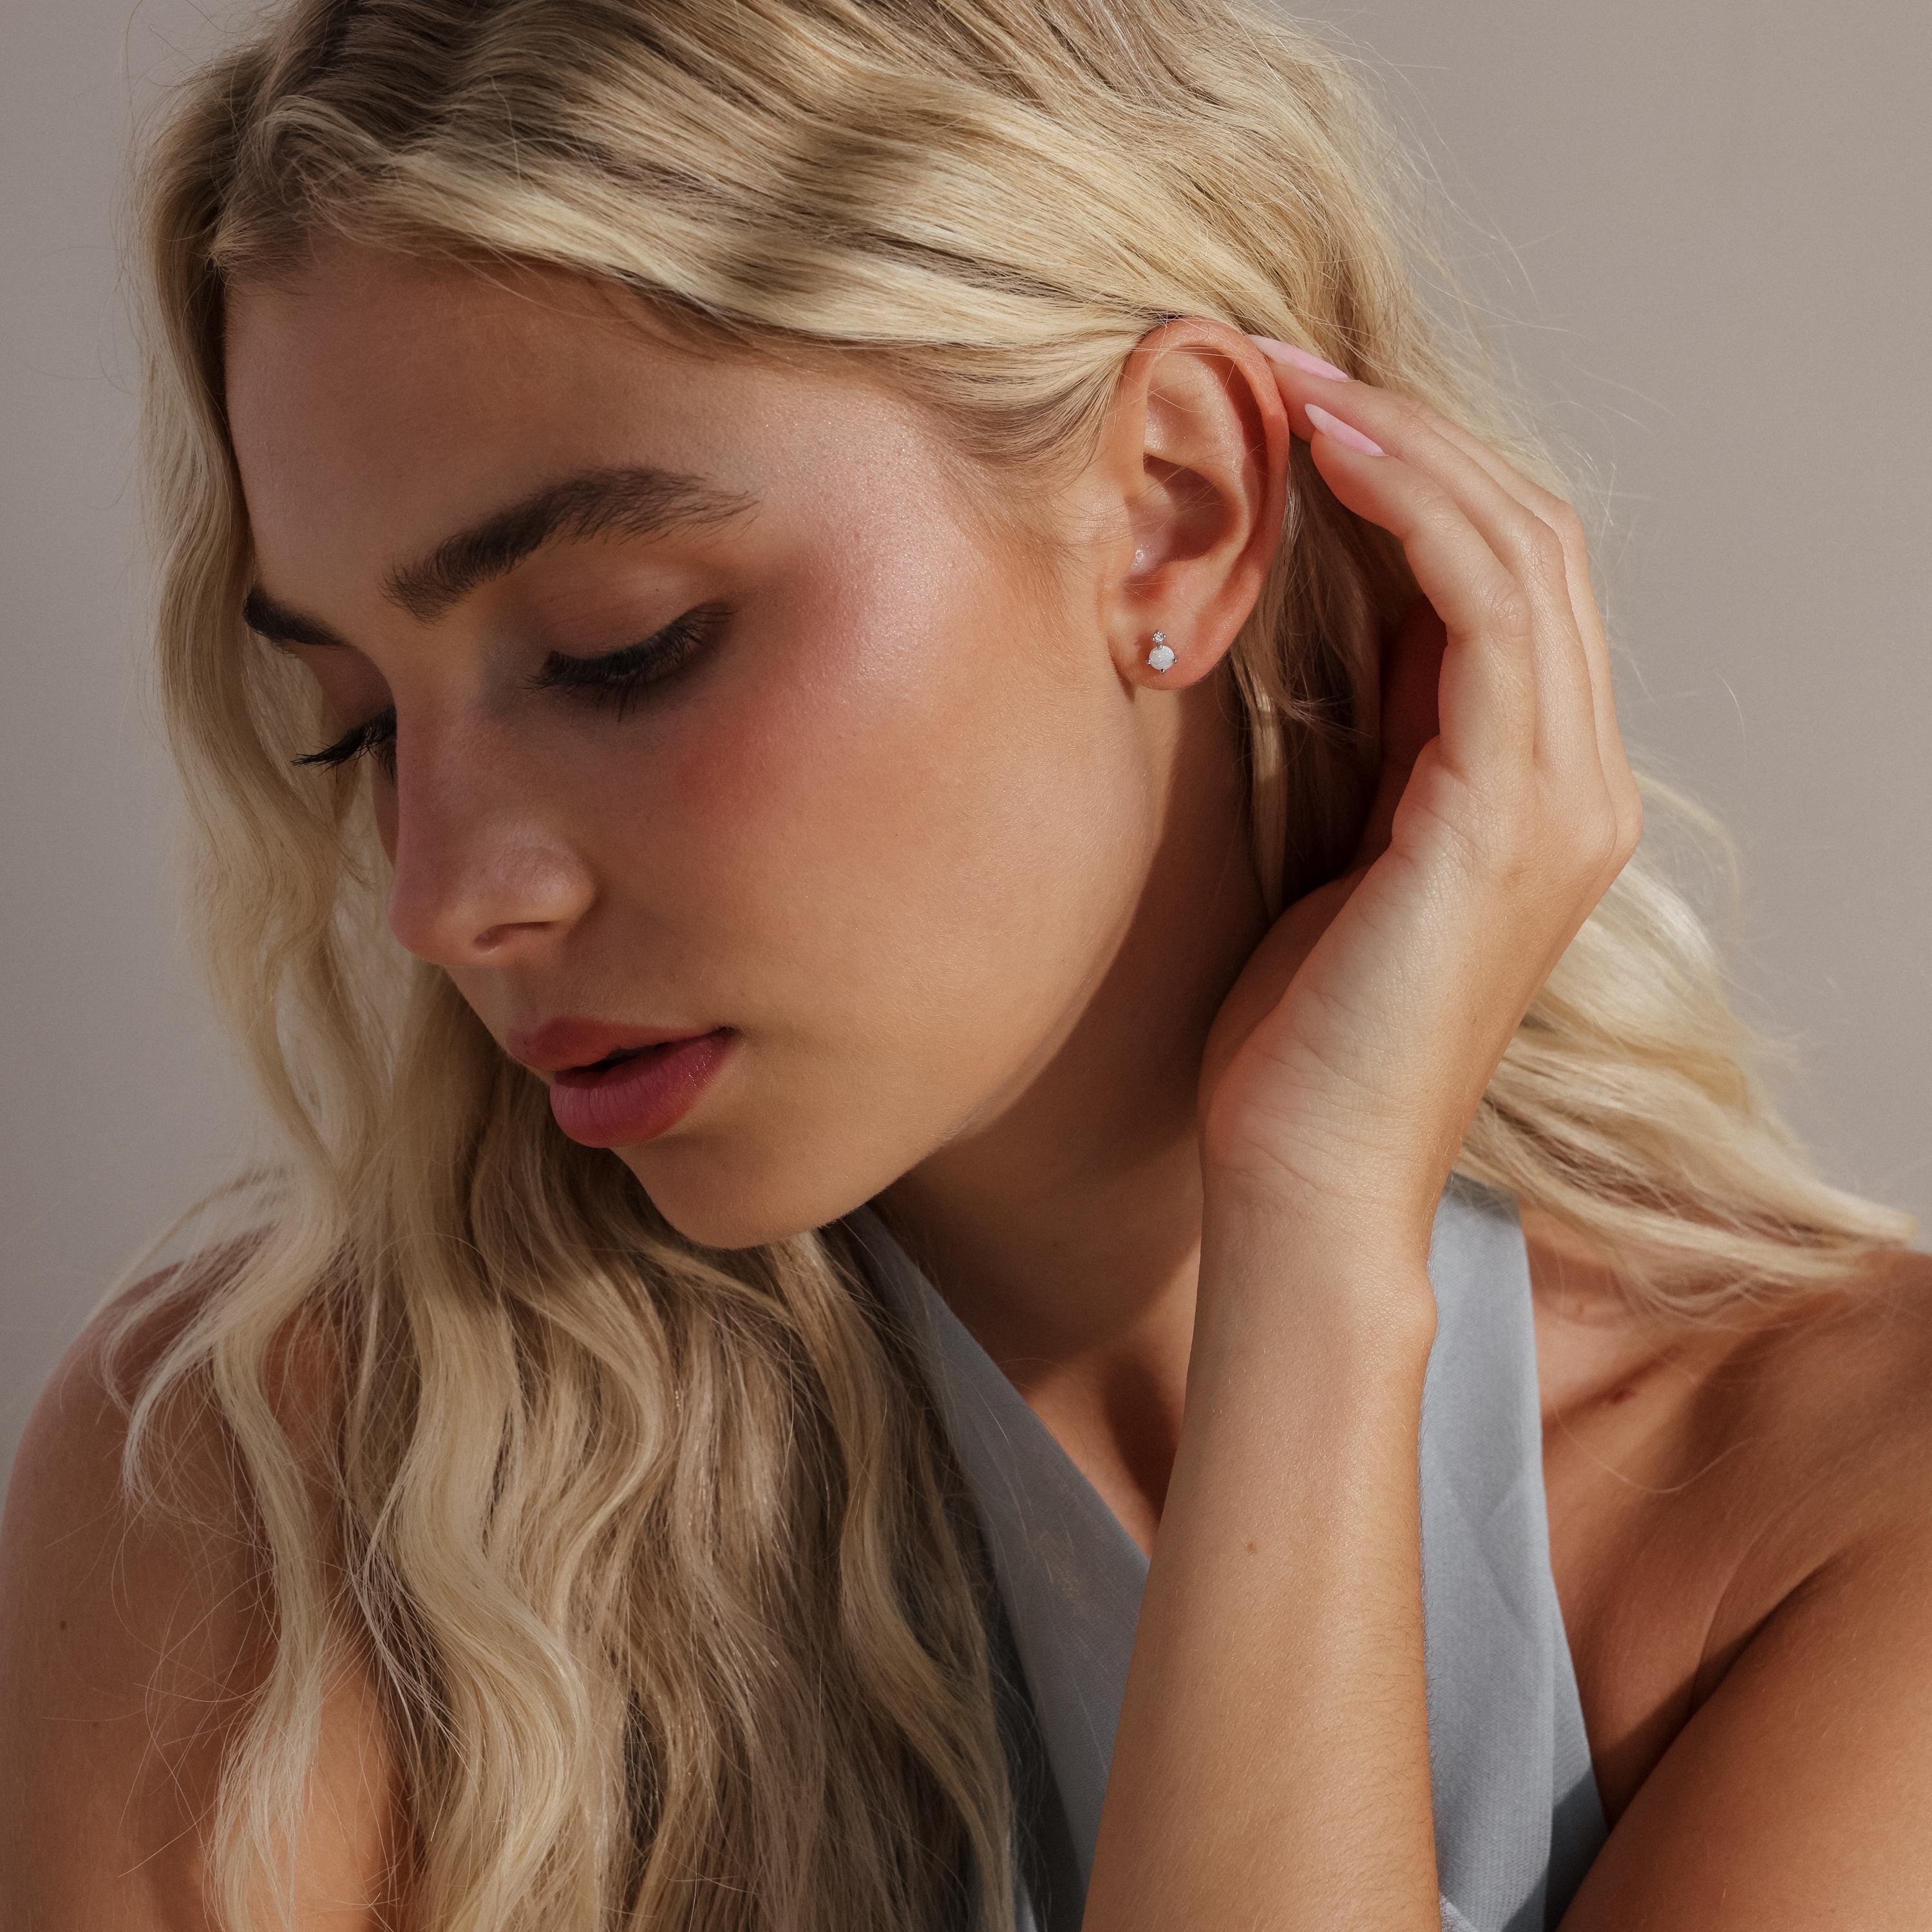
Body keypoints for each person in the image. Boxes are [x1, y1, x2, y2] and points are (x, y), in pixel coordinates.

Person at [3, 1, 1926, 1927]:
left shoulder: (1853, 1508)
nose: (441, 897)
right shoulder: (279, 1505)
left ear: (1176, 511)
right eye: (361, 723)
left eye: (618, 646)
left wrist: (1322, 1253)